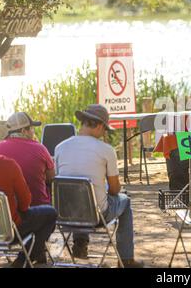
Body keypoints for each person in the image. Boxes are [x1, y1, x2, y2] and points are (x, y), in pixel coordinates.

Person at [54, 104, 143, 268]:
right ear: (100, 125)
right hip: (97, 216)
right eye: (104, 130)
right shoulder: (106, 150)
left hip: (65, 216)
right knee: (124, 200)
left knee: (77, 195)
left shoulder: (60, 148)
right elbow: (115, 190)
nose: (104, 134)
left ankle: (80, 245)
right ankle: (126, 259)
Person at [0, 125, 57, 267]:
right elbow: (25, 202)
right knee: (50, 213)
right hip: (9, 231)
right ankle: (25, 258)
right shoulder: (9, 165)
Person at [0, 112, 55, 206]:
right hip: (38, 208)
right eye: (32, 128)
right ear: (24, 131)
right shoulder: (40, 148)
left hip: (7, 211)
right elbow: (52, 179)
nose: (33, 132)